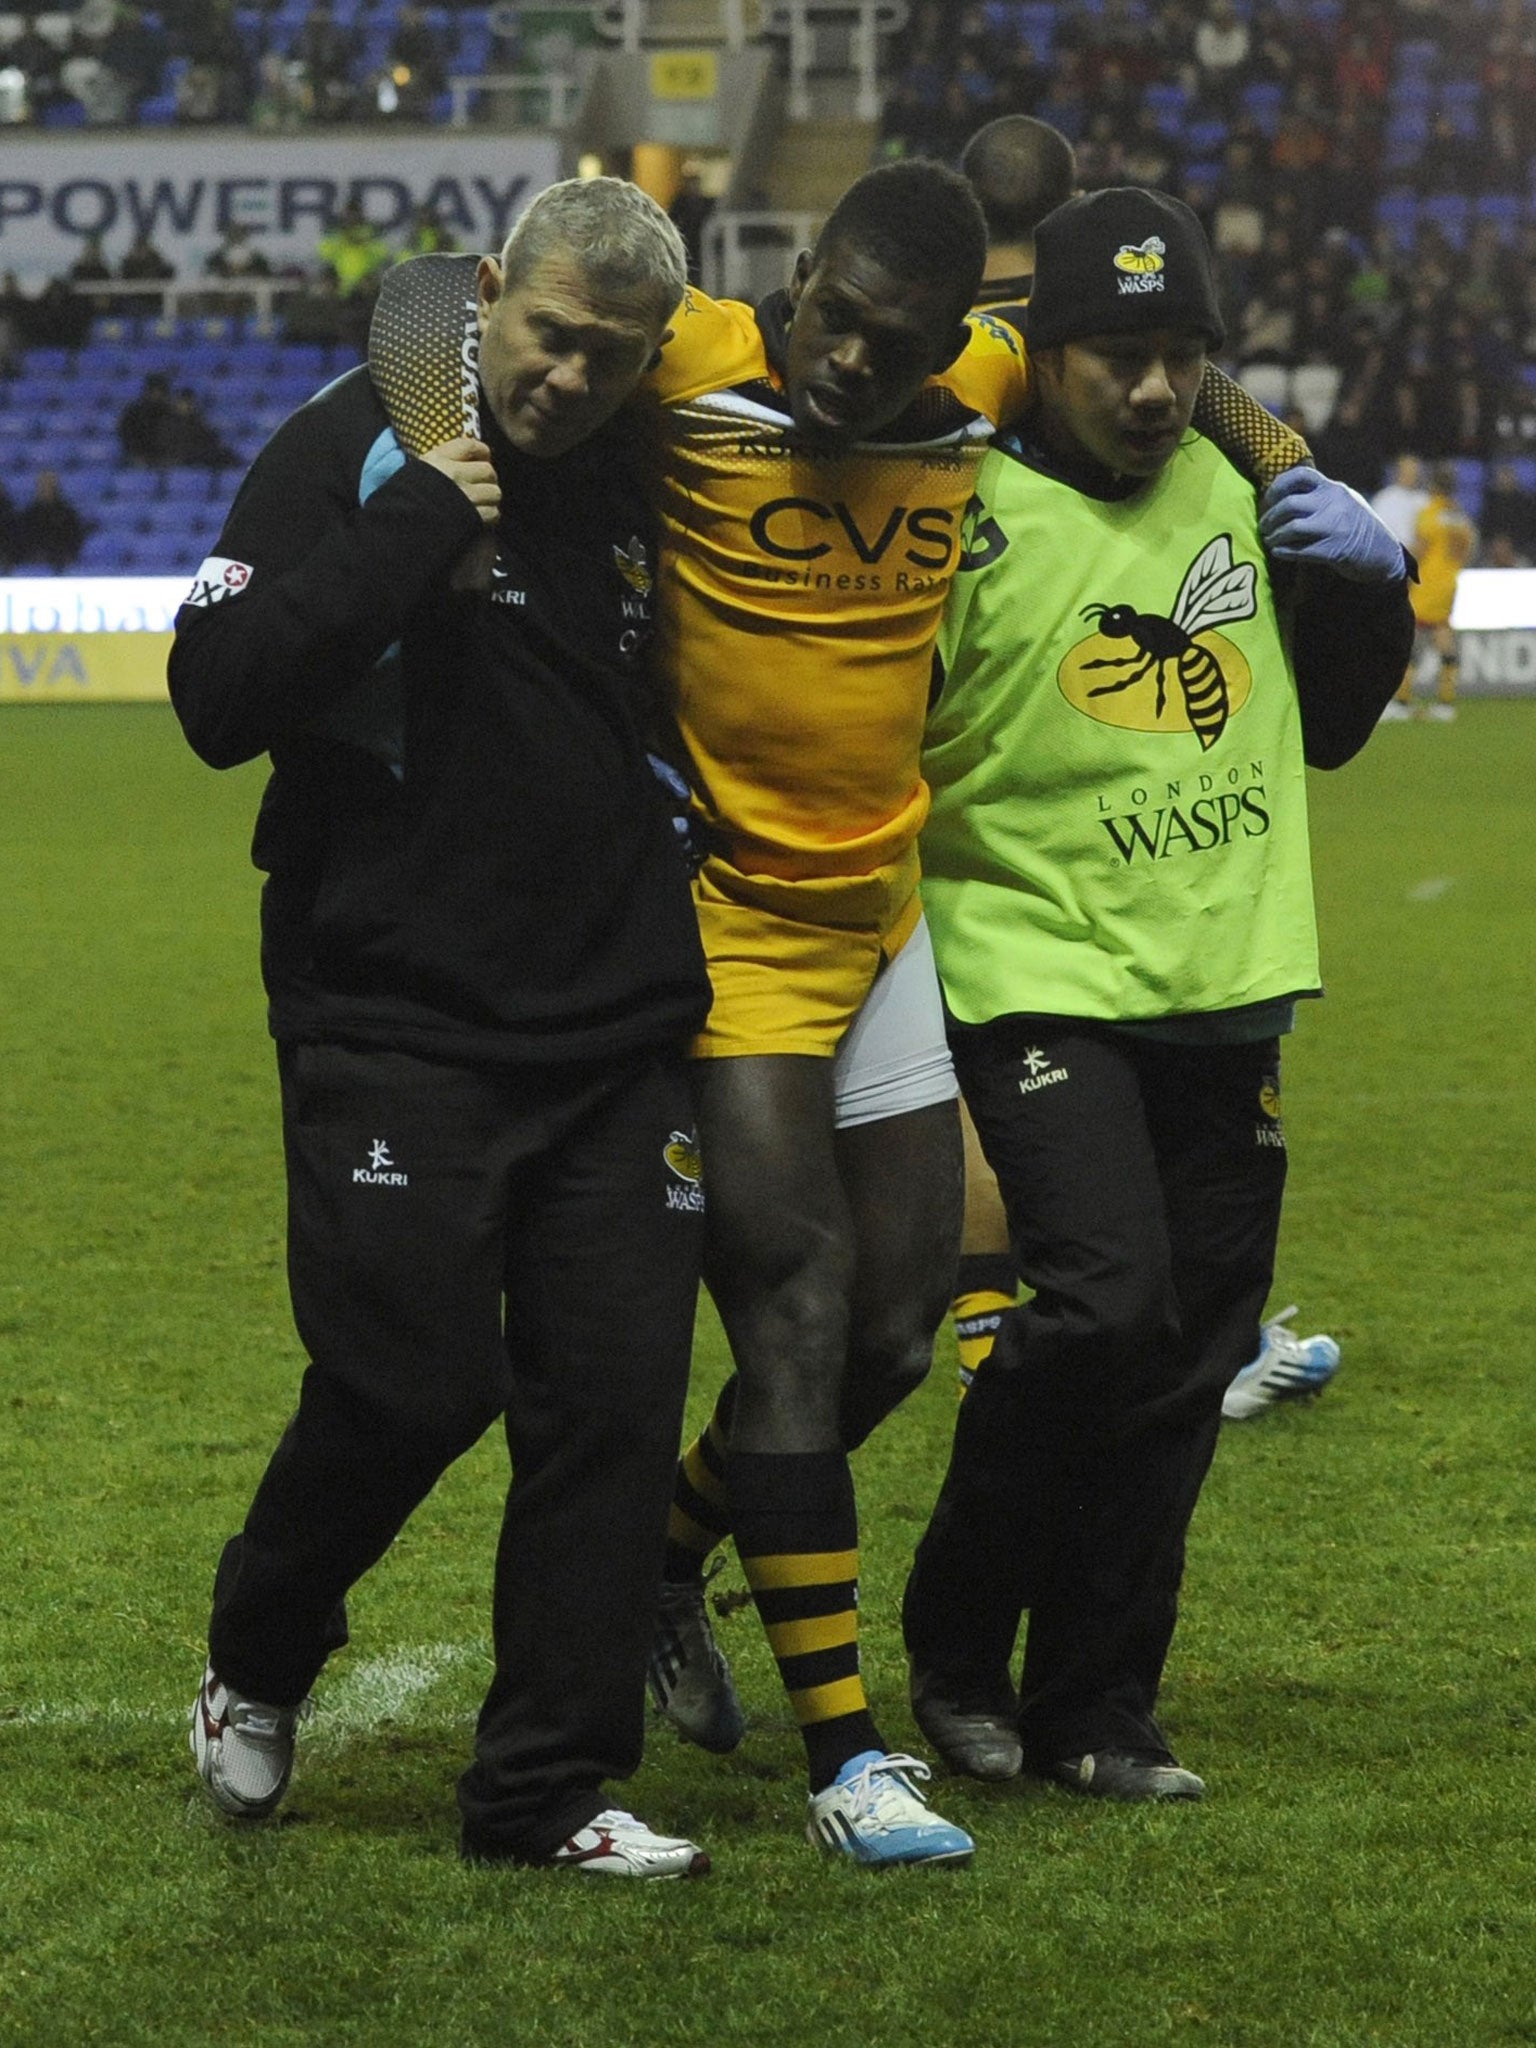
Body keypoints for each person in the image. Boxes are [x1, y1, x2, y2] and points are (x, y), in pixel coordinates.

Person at [637, 160, 1310, 1864]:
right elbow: (490, 327)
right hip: (732, 921)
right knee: (797, 1302)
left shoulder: (986, 379)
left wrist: (1293, 458)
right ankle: (850, 1757)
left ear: (959, 340)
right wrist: (428, 435)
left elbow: (1152, 351)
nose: (850, 364)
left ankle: (666, 1545)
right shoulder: (689, 351)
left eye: (892, 340)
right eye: (832, 320)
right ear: (796, 278)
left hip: (889, 917)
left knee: (892, 1336)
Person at [169, 177, 716, 1880]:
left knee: (612, 1406)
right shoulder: (350, 441)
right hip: (390, 1006)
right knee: (411, 1379)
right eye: (552, 338)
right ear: (489, 293)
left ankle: (544, 1789)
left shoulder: (645, 462)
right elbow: (213, 695)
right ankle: (259, 1652)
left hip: (619, 1016)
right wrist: (417, 520)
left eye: (611, 358)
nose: (572, 381)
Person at [900, 187, 1413, 1798]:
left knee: (1195, 1352)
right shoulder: (962, 506)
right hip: (1037, 969)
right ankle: (961, 1642)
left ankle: (1100, 1707)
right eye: (1118, 355)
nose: (1152, 389)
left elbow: (1328, 727)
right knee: (1105, 1305)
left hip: (1226, 977)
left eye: (1181, 355)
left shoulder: (1247, 490)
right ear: (1045, 354)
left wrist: (1373, 596)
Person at [1383, 462, 1476, 722]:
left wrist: (1403, 573)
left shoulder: (1429, 513)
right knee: (1443, 636)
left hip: (1427, 584)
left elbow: (1419, 549)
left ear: (1433, 486)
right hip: (1449, 583)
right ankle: (1446, 703)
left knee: (1409, 639)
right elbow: (1468, 549)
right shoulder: (1460, 516)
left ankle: (1400, 702)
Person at [12, 469, 89, 570]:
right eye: (43, 486)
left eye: (50, 486)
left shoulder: (67, 514)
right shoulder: (29, 515)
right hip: (35, 561)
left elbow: (74, 538)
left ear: (56, 488)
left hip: (61, 559)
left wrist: (63, 555)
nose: (46, 489)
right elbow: (23, 539)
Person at [1369, 453, 1430, 553]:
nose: (1411, 475)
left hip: (1422, 558)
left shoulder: (1426, 500)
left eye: (1414, 471)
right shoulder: (1384, 498)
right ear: (1398, 472)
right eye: (1407, 471)